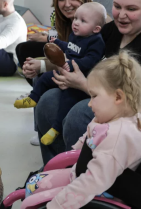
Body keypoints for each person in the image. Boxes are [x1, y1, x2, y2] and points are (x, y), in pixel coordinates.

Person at [24, 0, 141, 165]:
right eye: (117, 7)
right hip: (96, 90)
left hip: (128, 108)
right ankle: (55, 167)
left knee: (79, 114)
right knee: (47, 101)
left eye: (131, 9)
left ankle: (79, 174)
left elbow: (139, 104)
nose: (121, 15)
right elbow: (77, 55)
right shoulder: (111, 30)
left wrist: (84, 85)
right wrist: (44, 66)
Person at [19, 50, 141, 209]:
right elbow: (90, 136)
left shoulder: (117, 138)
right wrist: (74, 151)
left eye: (94, 96)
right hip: (85, 178)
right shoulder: (118, 118)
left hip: (98, 198)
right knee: (33, 183)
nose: (89, 104)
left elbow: (92, 182)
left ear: (118, 97)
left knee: (31, 196)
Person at [15, 2, 106, 145]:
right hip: (65, 70)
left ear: (96, 28)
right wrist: (55, 42)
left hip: (79, 78)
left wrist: (68, 64)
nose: (75, 23)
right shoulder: (76, 34)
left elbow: (90, 61)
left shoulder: (96, 41)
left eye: (82, 21)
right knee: (44, 78)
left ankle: (55, 129)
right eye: (76, 19)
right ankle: (33, 98)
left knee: (66, 100)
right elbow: (68, 47)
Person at [15, 0, 93, 86]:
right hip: (65, 58)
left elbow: (77, 55)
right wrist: (47, 36)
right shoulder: (61, 19)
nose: (67, 4)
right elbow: (62, 43)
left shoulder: (96, 19)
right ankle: (36, 92)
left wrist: (42, 65)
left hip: (85, 75)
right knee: (24, 48)